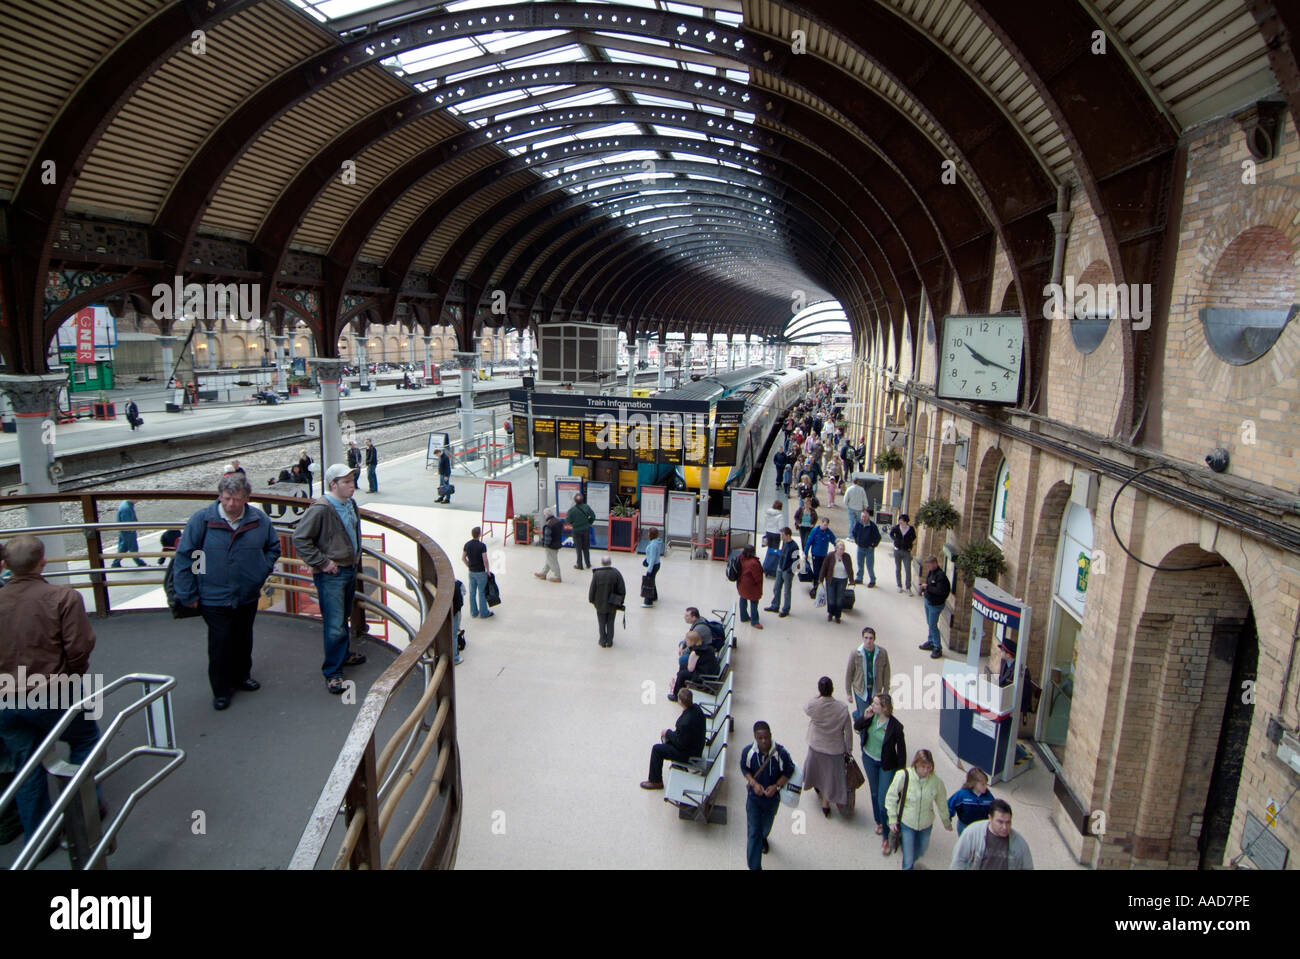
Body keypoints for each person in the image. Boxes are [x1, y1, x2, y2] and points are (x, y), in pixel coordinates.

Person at [0, 536, 105, 847]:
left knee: (26, 764)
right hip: (54, 691)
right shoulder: (63, 597)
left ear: (6, 565)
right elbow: (79, 648)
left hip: (6, 696)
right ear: (42, 562)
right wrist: (71, 677)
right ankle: (88, 812)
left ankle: (39, 839)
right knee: (84, 739)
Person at [173, 472, 282, 709]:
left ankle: (242, 676)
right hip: (213, 596)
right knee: (220, 643)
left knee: (244, 638)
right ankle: (221, 690)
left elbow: (273, 547)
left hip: (246, 593)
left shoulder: (259, 520)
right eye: (226, 499)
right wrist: (188, 594)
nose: (231, 504)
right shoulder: (201, 521)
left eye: (236, 499)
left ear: (247, 498)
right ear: (219, 497)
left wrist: (259, 571)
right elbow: (185, 557)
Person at [291, 464, 371, 696]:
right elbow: (300, 538)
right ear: (333, 484)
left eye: (352, 481)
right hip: (332, 574)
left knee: (342, 617)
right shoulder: (321, 509)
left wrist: (354, 558)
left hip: (346, 569)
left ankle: (342, 655)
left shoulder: (350, 504)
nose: (352, 486)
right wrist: (323, 562)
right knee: (335, 623)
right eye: (346, 482)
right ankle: (333, 672)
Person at [885, 748, 952, 870]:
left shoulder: (936, 782)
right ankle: (908, 866)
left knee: (922, 848)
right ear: (916, 764)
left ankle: (911, 861)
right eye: (923, 767)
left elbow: (941, 802)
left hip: (926, 824)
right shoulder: (903, 776)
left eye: (929, 767)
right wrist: (892, 818)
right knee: (908, 856)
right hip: (907, 823)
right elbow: (891, 796)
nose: (926, 770)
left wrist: (946, 821)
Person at [740, 721, 795, 870]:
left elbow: (789, 771)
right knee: (753, 833)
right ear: (755, 738)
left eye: (766, 737)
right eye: (760, 738)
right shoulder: (748, 752)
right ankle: (755, 867)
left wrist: (776, 786)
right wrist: (753, 783)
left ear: (770, 735)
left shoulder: (781, 753)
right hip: (754, 799)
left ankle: (764, 837)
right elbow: (744, 768)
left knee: (766, 827)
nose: (763, 741)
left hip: (772, 800)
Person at [855, 692, 906, 842]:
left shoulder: (896, 727)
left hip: (886, 764)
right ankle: (879, 821)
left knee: (884, 798)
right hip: (869, 759)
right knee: (875, 793)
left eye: (876, 703)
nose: (872, 705)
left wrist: (901, 771)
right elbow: (857, 726)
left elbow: (901, 751)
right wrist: (865, 717)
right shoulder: (871, 717)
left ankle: (888, 823)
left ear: (884, 708)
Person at [802, 676, 854, 818]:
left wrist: (817, 696)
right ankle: (826, 803)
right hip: (834, 749)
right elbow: (848, 731)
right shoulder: (842, 708)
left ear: (819, 690)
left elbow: (806, 707)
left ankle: (817, 788)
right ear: (833, 689)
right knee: (830, 776)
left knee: (817, 770)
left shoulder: (815, 706)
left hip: (816, 745)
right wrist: (848, 749)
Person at [640, 687, 706, 790]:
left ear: (680, 701)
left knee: (657, 749)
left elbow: (680, 744)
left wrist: (668, 733)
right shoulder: (697, 709)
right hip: (695, 746)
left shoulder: (685, 723)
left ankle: (655, 781)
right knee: (667, 740)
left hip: (689, 754)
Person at [950, 799, 1033, 869]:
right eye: (1000, 822)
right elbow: (958, 861)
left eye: (1008, 822)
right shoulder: (972, 834)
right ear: (990, 818)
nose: (1005, 827)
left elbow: (1028, 867)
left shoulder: (1019, 843)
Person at [846, 627, 891, 717]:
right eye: (866, 638)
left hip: (876, 689)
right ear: (863, 638)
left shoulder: (882, 653)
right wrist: (849, 693)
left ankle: (856, 716)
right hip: (860, 689)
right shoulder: (855, 653)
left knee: (875, 714)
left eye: (870, 638)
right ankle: (861, 723)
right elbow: (849, 673)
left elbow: (886, 673)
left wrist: (886, 690)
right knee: (865, 715)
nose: (868, 641)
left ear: (874, 639)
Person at [672, 624, 718, 700]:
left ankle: (676, 695)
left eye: (687, 641)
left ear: (691, 641)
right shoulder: (705, 646)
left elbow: (690, 669)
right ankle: (681, 688)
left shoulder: (695, 652)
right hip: (712, 670)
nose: (686, 643)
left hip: (704, 676)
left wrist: (689, 659)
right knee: (683, 666)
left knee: (681, 674)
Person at [588, 556, 626, 648]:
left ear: (602, 563)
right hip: (612, 604)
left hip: (600, 604)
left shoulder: (597, 574)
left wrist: (592, 600)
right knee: (610, 622)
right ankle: (609, 641)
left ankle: (602, 640)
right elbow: (622, 590)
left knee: (601, 622)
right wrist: (619, 602)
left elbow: (592, 590)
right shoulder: (616, 573)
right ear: (610, 562)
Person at [919, 555, 952, 660]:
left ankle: (937, 647)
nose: (928, 567)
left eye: (929, 565)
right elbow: (930, 584)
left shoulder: (941, 576)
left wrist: (927, 587)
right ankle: (931, 641)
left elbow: (940, 591)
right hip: (928, 601)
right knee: (930, 623)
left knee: (933, 625)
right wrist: (925, 590)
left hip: (935, 605)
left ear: (935, 564)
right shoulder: (931, 573)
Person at [948, 767, 997, 835]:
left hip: (981, 828)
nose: (986, 787)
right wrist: (947, 820)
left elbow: (995, 809)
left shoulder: (989, 797)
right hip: (964, 826)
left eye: (986, 784)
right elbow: (949, 805)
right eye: (983, 784)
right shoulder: (962, 795)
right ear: (973, 784)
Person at [765, 526, 798, 618]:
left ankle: (786, 609)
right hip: (780, 568)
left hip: (787, 571)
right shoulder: (784, 543)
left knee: (787, 591)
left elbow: (796, 561)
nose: (781, 537)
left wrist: (789, 570)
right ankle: (775, 605)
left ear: (788, 535)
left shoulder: (794, 546)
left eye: (783, 535)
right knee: (776, 588)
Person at [817, 540, 853, 623]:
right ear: (836, 549)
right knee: (831, 598)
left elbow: (850, 569)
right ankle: (830, 613)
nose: (842, 551)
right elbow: (824, 567)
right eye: (840, 549)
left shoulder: (847, 557)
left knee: (839, 599)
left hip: (842, 580)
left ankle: (838, 615)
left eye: (843, 549)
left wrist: (851, 580)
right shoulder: (830, 556)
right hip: (831, 579)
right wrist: (820, 579)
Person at [462, 526, 492, 619]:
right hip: (480, 572)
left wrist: (469, 566)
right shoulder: (482, 546)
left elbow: (463, 558)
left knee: (472, 592)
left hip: (471, 572)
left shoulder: (467, 544)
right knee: (482, 592)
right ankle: (484, 613)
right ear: (479, 534)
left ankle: (474, 612)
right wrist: (488, 570)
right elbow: (485, 559)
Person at [110, 498, 147, 568]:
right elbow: (127, 524)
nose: (138, 500)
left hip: (124, 531)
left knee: (124, 546)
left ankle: (116, 562)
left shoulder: (126, 504)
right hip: (128, 532)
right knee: (132, 547)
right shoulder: (126, 508)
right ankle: (140, 562)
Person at [736, 544, 765, 629]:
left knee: (743, 599)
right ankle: (755, 621)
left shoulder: (740, 558)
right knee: (754, 602)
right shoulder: (753, 563)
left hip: (741, 583)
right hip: (751, 586)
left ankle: (744, 617)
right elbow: (758, 577)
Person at [805, 516, 836, 594]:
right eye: (824, 524)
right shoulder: (815, 531)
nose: (825, 526)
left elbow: (834, 540)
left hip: (824, 555)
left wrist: (838, 548)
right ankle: (816, 586)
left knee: (823, 571)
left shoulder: (828, 532)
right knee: (816, 571)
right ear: (821, 523)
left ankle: (821, 584)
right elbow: (809, 542)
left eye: (826, 525)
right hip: (815, 554)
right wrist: (805, 552)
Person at [566, 492, 596, 570]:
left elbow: (568, 521)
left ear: (575, 501)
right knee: (586, 547)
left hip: (576, 531)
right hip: (586, 529)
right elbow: (593, 516)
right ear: (582, 500)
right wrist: (589, 522)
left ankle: (579, 565)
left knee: (578, 548)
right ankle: (588, 564)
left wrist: (574, 523)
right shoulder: (586, 507)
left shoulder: (571, 510)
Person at [534, 507, 564, 583]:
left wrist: (545, 545)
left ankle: (557, 576)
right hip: (557, 543)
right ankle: (543, 573)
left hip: (551, 546)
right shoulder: (558, 521)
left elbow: (547, 537)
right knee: (549, 560)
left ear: (546, 515)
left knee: (553, 561)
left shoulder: (548, 525)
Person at [889, 514, 917, 594]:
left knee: (908, 569)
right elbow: (891, 534)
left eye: (901, 520)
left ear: (905, 521)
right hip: (897, 550)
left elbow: (914, 536)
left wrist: (909, 543)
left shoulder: (910, 529)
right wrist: (896, 540)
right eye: (899, 520)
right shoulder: (896, 527)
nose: (900, 521)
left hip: (906, 551)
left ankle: (908, 587)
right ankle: (899, 585)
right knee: (898, 569)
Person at [641, 528, 663, 607]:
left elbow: (653, 558)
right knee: (652, 580)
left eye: (649, 533)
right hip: (657, 564)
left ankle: (648, 601)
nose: (648, 534)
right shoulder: (657, 542)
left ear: (651, 535)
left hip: (653, 565)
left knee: (648, 582)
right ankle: (654, 596)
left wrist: (649, 570)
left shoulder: (653, 545)